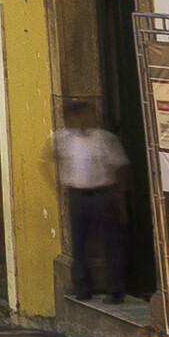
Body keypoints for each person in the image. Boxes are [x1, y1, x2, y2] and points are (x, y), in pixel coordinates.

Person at [56, 98, 132, 302]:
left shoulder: (104, 139)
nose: (78, 120)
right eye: (74, 116)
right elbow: (47, 158)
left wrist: (120, 195)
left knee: (110, 242)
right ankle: (83, 287)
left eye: (82, 115)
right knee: (79, 244)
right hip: (78, 196)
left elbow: (121, 166)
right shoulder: (65, 139)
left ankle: (116, 289)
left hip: (102, 195)